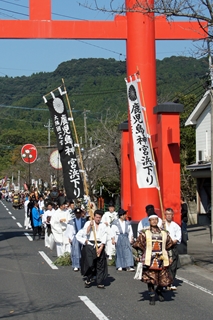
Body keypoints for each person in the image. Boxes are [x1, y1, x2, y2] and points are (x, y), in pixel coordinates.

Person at [133, 211, 174, 305]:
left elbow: (169, 245)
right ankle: (152, 296)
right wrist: (138, 256)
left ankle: (159, 290)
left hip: (162, 258)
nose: (154, 221)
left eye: (156, 219)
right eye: (152, 220)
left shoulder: (164, 233)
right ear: (149, 221)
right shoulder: (145, 233)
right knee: (150, 279)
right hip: (149, 259)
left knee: (164, 278)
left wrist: (170, 256)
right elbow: (139, 245)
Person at [76, 209, 108, 289]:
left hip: (99, 244)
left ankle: (99, 281)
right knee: (90, 263)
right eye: (97, 217)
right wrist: (90, 226)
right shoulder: (88, 223)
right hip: (90, 244)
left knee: (100, 264)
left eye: (99, 217)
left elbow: (104, 236)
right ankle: (89, 278)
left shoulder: (103, 225)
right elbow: (85, 233)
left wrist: (101, 247)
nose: (98, 219)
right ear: (94, 217)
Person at [162, 208, 181, 290]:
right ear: (165, 215)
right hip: (164, 248)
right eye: (167, 214)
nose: (169, 216)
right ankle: (164, 283)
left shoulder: (176, 226)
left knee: (172, 266)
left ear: (173, 215)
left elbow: (178, 238)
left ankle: (170, 282)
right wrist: (162, 226)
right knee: (164, 266)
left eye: (170, 214)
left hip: (172, 247)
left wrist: (172, 242)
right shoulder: (162, 225)